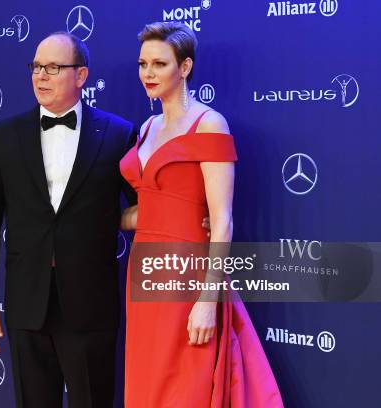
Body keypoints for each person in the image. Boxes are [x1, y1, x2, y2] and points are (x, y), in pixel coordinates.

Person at [0, 32, 138, 407]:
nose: (40, 76)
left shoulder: (118, 133)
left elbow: (145, 207)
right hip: (27, 303)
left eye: (53, 68)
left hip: (91, 304)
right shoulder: (4, 135)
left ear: (81, 76)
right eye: (36, 67)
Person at [120, 22, 284, 407]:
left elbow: (222, 219)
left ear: (186, 67)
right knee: (148, 384)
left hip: (188, 277)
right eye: (143, 64)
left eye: (159, 64)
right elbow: (146, 212)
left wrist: (207, 300)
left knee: (186, 388)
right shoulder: (146, 127)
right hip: (143, 275)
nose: (148, 73)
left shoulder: (209, 123)